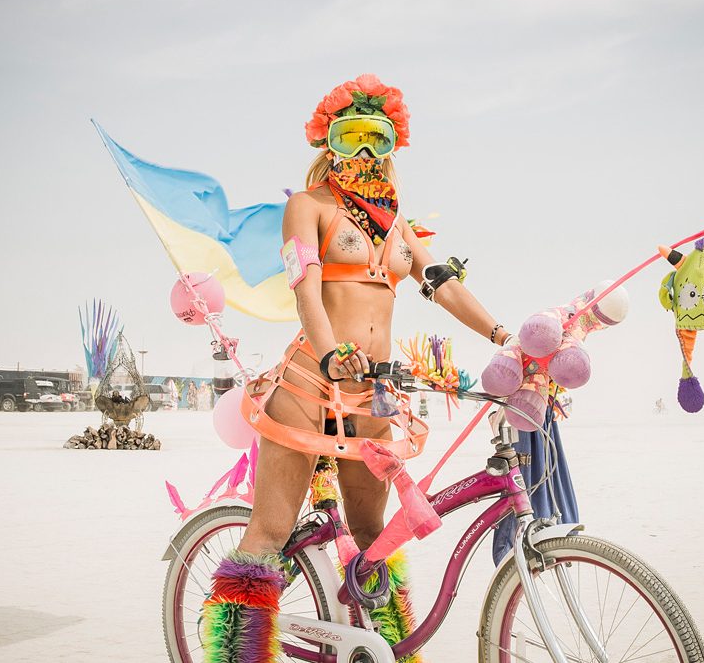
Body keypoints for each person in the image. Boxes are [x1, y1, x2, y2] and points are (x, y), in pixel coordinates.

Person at [202, 74, 510, 661]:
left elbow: (442, 286)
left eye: (378, 139)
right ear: (329, 144)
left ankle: (392, 651)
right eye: (351, 138)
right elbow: (306, 291)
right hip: (310, 383)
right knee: (268, 534)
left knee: (374, 536)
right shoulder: (307, 206)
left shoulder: (398, 224)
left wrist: (504, 335)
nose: (365, 153)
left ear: (394, 147)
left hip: (374, 396)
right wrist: (329, 354)